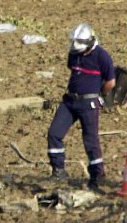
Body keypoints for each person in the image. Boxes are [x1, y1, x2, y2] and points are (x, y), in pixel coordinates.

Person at [47, 23, 115, 191]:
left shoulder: (102, 56)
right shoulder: (74, 53)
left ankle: (97, 176)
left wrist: (98, 95)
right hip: (70, 101)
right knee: (54, 133)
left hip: (88, 103)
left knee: (90, 140)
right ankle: (58, 170)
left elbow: (110, 82)